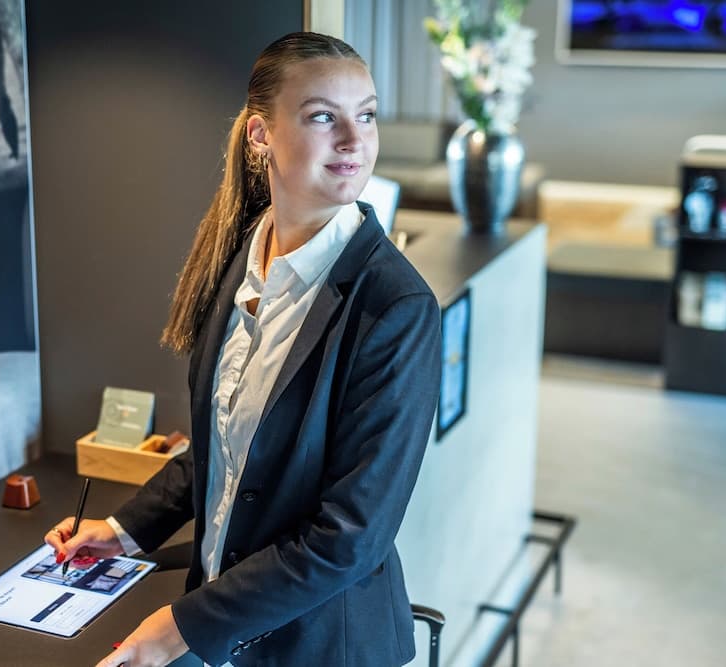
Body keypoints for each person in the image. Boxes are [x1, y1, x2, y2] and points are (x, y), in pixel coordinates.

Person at [46, 31, 442, 667]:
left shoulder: (395, 307)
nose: (354, 140)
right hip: (224, 639)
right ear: (261, 134)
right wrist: (124, 530)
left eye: (366, 115)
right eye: (323, 117)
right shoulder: (239, 256)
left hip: (319, 648)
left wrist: (181, 627)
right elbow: (223, 447)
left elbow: (350, 538)